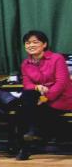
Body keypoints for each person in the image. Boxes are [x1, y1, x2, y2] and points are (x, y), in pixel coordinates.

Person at [14, 30, 72, 160]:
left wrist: (46, 97)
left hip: (61, 98)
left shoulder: (57, 58)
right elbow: (27, 83)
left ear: (44, 44)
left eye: (35, 42)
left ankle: (26, 146)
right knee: (25, 101)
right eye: (27, 43)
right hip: (40, 98)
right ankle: (31, 134)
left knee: (28, 110)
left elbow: (61, 83)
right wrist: (36, 87)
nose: (31, 45)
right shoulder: (25, 64)